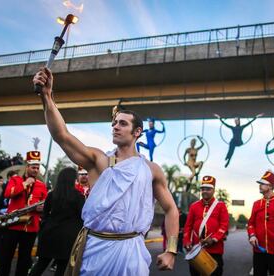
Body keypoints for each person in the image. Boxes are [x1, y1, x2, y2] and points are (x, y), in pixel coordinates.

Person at [33, 67, 178, 275]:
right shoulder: (99, 161)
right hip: (94, 250)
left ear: (137, 132)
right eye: (114, 123)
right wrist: (47, 97)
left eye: (122, 123)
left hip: (130, 252)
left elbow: (171, 209)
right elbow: (62, 135)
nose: (115, 127)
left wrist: (171, 250)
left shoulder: (151, 170)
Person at [0, 151, 48, 276]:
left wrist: (42, 209)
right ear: (27, 166)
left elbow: (46, 204)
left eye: (37, 167)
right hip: (13, 225)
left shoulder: (42, 185)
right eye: (33, 167)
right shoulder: (15, 180)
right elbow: (8, 193)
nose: (36, 170)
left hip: (30, 228)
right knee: (6, 257)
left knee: (24, 260)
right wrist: (25, 184)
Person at [29, 167, 85, 276]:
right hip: (68, 237)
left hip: (49, 233)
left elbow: (45, 214)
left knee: (40, 265)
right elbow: (82, 216)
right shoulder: (79, 196)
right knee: (61, 268)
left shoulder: (51, 194)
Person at [183, 176, 229, 276]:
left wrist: (213, 239)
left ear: (213, 190)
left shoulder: (221, 206)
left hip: (215, 251)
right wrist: (186, 241)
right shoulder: (194, 206)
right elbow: (188, 226)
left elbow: (224, 225)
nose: (204, 191)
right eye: (203, 189)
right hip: (196, 250)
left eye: (208, 189)